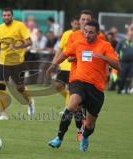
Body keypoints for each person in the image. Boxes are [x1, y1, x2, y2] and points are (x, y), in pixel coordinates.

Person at [47, 20, 120, 151]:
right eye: (85, 32)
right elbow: (65, 53)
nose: (87, 35)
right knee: (71, 106)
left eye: (91, 32)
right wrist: (54, 64)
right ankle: (59, 138)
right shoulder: (78, 43)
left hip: (96, 88)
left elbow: (117, 65)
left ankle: (85, 136)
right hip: (78, 82)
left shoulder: (105, 46)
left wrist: (104, 58)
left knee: (90, 125)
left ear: (97, 33)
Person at [0, 8, 35, 120]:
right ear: (2, 16)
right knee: (1, 86)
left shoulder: (20, 26)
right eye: (4, 15)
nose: (6, 17)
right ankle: (3, 114)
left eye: (8, 15)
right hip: (3, 62)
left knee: (20, 88)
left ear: (12, 16)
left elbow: (29, 41)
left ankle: (30, 102)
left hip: (18, 63)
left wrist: (17, 47)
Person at [52, 15, 83, 141]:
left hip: (74, 67)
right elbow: (60, 49)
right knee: (57, 86)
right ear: (72, 23)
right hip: (64, 65)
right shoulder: (67, 34)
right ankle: (69, 101)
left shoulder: (83, 36)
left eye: (78, 23)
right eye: (75, 23)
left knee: (71, 89)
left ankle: (68, 107)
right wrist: (54, 62)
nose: (77, 25)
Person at [116, 23, 133, 94]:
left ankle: (126, 90)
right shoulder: (121, 42)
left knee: (129, 78)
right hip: (122, 63)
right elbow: (116, 52)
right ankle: (120, 89)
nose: (131, 35)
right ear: (127, 34)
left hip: (131, 63)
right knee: (121, 78)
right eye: (130, 34)